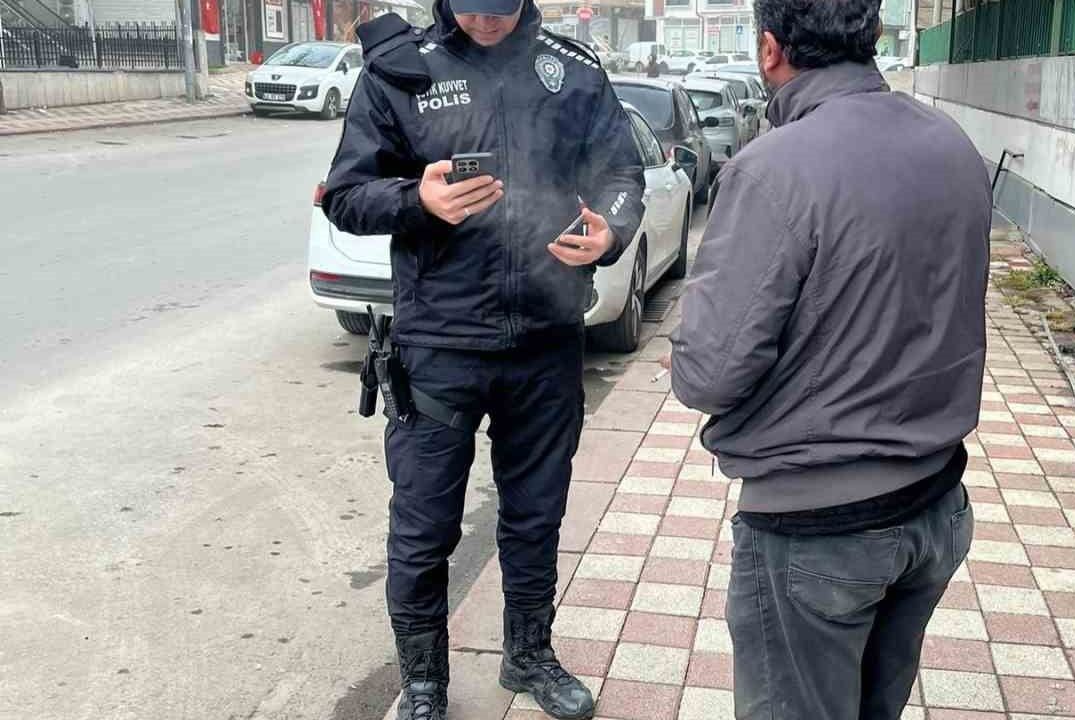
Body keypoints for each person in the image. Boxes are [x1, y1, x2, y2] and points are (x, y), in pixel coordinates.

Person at [666, 0, 991, 717]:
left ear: (769, 50)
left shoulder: (772, 170)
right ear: (872, 35)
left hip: (818, 532)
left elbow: (708, 374)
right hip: (936, 505)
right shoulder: (950, 142)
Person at [321, 1, 645, 718]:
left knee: (535, 517)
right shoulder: (403, 73)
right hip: (439, 345)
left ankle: (529, 656)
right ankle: (426, 679)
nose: (487, 18)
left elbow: (624, 173)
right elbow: (344, 196)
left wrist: (611, 231)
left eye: (500, 5)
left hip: (547, 338)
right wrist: (417, 199)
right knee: (423, 527)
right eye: (472, 4)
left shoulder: (573, 71)